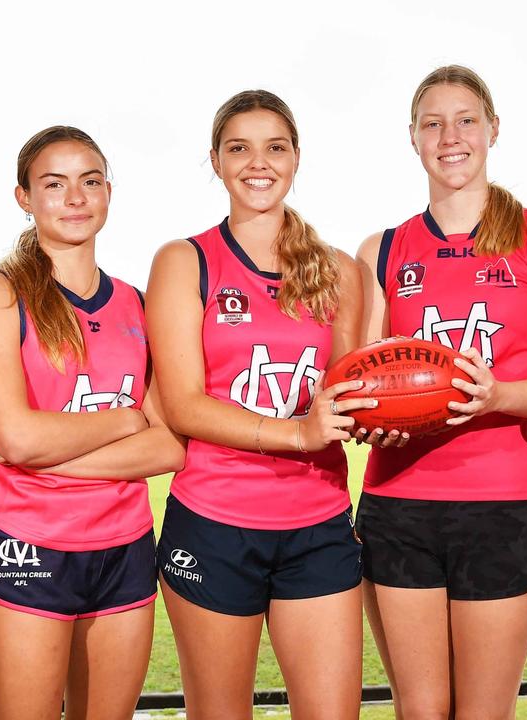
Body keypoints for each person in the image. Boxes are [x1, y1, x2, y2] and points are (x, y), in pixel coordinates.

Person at [353, 65, 527, 720]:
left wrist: (494, 397)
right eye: (432, 122)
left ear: (492, 130)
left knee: (483, 712)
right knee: (419, 711)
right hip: (397, 506)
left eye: (464, 120)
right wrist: (370, 418)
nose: (448, 136)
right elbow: (361, 379)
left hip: (500, 506)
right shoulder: (382, 249)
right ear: (412, 138)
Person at [146, 90, 370, 720]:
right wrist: (298, 433)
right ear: (215, 162)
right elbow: (185, 405)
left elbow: (347, 389)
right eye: (238, 148)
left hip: (317, 521)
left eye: (275, 146)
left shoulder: (339, 271)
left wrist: (386, 418)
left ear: (296, 157)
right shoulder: (184, 261)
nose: (257, 162)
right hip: (214, 522)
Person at [0, 126, 183, 720]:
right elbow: (16, 436)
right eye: (53, 184)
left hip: (125, 547)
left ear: (110, 191)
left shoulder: (137, 303)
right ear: (24, 198)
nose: (75, 197)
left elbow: (169, 449)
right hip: (25, 545)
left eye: (90, 182)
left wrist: (40, 451)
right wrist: (126, 418)